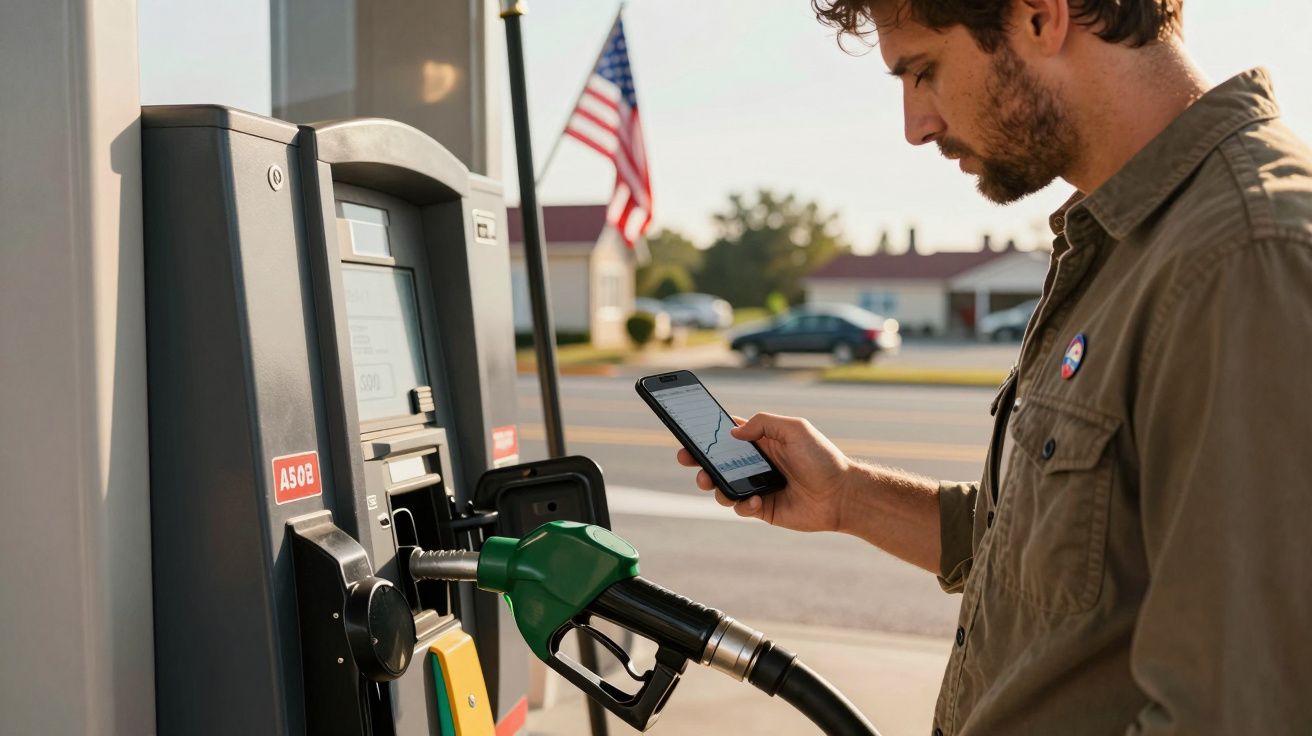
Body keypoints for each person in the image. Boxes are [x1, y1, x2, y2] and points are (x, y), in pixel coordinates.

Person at [676, 1, 1312, 733]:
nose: (915, 125)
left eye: (925, 72)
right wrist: (849, 497)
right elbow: (1056, 554)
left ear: (1042, 17)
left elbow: (1238, 710)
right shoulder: (1125, 239)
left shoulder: (1243, 257)